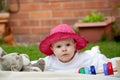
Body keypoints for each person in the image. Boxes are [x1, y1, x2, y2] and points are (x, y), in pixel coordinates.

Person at [39, 24, 120, 72]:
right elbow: (35, 65)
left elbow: (101, 62)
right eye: (59, 46)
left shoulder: (85, 58)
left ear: (74, 45)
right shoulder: (50, 60)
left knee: (93, 53)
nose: (64, 49)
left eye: (68, 45)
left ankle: (95, 50)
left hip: (91, 55)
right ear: (52, 49)